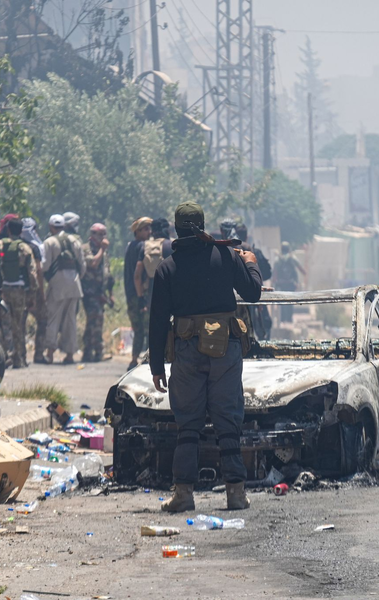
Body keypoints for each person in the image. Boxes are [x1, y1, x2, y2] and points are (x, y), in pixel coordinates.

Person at [149, 201, 263, 513]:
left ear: (176, 228)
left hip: (186, 351)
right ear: (201, 225)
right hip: (225, 349)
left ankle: (184, 495)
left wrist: (156, 366)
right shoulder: (226, 255)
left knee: (188, 423)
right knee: (228, 420)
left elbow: (157, 320)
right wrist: (251, 262)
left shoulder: (167, 268)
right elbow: (253, 292)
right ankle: (235, 495)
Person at [42, 213, 85, 365]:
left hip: (57, 285)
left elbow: (45, 266)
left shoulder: (49, 242)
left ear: (51, 226)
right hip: (74, 285)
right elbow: (82, 265)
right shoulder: (75, 240)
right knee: (70, 321)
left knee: (53, 319)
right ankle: (70, 355)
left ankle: (50, 354)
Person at [0, 218, 38, 369]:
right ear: (21, 231)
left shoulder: (1, 245)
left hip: (3, 290)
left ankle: (5, 356)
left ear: (8, 230)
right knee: (18, 324)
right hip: (19, 291)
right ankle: (19, 359)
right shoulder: (25, 248)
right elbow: (32, 274)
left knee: (4, 324)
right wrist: (32, 294)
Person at [81, 223, 114, 363]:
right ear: (92, 235)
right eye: (100, 234)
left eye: (104, 234)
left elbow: (108, 274)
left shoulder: (104, 252)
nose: (103, 237)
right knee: (96, 320)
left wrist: (110, 293)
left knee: (92, 323)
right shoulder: (86, 249)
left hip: (100, 292)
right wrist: (102, 249)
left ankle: (88, 352)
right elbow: (93, 263)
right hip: (89, 292)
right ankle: (98, 352)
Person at [124, 217, 152, 370]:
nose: (149, 232)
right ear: (138, 231)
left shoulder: (130, 246)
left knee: (137, 328)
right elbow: (137, 275)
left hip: (130, 294)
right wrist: (142, 296)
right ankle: (145, 359)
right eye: (146, 229)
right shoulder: (143, 247)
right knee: (146, 328)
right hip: (139, 294)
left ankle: (134, 359)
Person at [21, 217, 48, 364]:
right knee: (43, 320)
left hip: (18, 290)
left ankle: (21, 356)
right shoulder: (35, 247)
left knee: (20, 323)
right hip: (33, 290)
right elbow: (38, 271)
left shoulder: (17, 245)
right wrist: (41, 294)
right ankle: (38, 354)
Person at [134, 217, 173, 312]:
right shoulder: (173, 245)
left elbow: (137, 276)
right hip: (172, 295)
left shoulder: (145, 247)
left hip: (151, 297)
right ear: (167, 229)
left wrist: (140, 297)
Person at [272, 241, 305, 323]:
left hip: (281, 284)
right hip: (290, 283)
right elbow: (302, 270)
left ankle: (283, 319)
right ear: (288, 249)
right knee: (290, 301)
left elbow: (275, 274)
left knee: (282, 301)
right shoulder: (292, 258)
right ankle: (289, 319)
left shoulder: (277, 259)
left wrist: (273, 284)